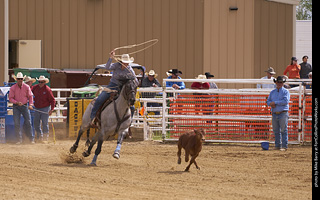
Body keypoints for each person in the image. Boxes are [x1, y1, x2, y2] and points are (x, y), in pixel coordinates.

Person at [90, 50, 137, 127]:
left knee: (132, 106)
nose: (126, 64)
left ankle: (128, 123)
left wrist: (131, 84)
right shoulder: (116, 65)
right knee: (100, 99)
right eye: (125, 62)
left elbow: (136, 81)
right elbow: (107, 67)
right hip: (112, 85)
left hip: (123, 88)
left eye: (127, 62)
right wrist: (111, 58)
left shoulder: (130, 70)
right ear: (121, 62)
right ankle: (92, 117)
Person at [9, 72, 34, 144]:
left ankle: (31, 139)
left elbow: (30, 96)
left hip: (25, 105)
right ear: (16, 79)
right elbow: (10, 98)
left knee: (28, 122)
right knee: (17, 123)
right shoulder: (13, 88)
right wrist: (16, 102)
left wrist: (31, 104)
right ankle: (19, 139)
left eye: (21, 79)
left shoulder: (26, 87)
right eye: (19, 79)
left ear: (23, 79)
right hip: (16, 106)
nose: (20, 80)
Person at [267, 76, 290, 151]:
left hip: (283, 113)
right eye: (278, 82)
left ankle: (284, 146)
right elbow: (268, 101)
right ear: (276, 83)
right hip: (275, 113)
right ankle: (277, 145)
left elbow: (286, 101)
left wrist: (274, 103)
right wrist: (270, 103)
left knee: (283, 130)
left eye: (281, 82)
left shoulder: (286, 91)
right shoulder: (272, 92)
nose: (279, 83)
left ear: (283, 83)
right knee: (276, 130)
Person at [32, 75, 55, 142]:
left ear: (44, 82)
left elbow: (52, 100)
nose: (40, 83)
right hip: (37, 108)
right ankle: (40, 136)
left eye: (41, 82)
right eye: (39, 82)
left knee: (45, 123)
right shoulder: (35, 88)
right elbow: (29, 93)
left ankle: (45, 138)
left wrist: (52, 109)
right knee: (36, 123)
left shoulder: (47, 90)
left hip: (45, 108)